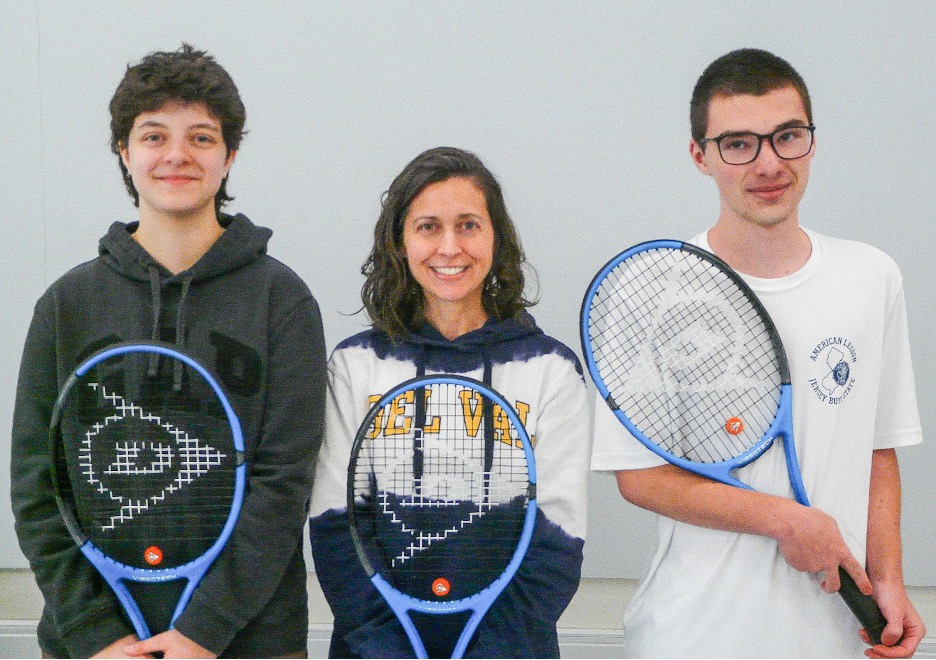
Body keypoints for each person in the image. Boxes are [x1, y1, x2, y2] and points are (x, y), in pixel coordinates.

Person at [590, 48, 926, 658]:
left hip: (839, 637)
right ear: (701, 156)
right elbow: (638, 478)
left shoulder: (872, 276)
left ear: (812, 142)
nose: (768, 163)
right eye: (738, 143)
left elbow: (877, 451)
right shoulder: (651, 290)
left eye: (787, 136)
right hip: (692, 636)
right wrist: (785, 520)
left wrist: (892, 581)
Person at [10, 44, 326, 658]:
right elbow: (37, 488)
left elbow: (283, 486)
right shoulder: (64, 305)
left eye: (202, 137)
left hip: (250, 642)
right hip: (97, 648)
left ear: (229, 155)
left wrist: (203, 632)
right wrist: (98, 635)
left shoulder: (281, 300)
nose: (177, 155)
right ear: (125, 154)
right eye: (154, 136)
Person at [308, 146, 589, 658]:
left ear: (495, 238)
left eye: (468, 225)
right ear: (400, 243)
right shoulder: (354, 366)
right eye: (428, 227)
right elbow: (336, 527)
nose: (449, 247)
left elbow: (556, 543)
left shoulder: (552, 370)